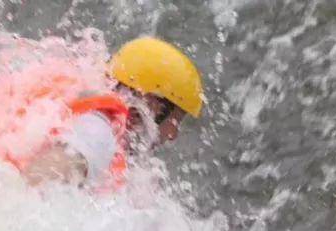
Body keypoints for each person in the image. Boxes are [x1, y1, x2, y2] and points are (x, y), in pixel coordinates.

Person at [13, 36, 204, 189]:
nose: (172, 135)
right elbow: (35, 183)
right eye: (176, 120)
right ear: (154, 103)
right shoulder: (98, 133)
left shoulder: (82, 107)